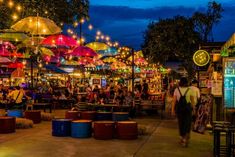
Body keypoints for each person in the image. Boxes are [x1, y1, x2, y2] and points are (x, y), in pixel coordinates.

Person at [171, 77, 195, 147]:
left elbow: (174, 101)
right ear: (187, 82)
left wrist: (172, 110)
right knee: (187, 122)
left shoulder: (176, 90)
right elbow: (192, 101)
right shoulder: (190, 90)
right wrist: (194, 109)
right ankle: (186, 135)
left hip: (179, 109)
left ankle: (182, 137)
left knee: (181, 122)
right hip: (187, 109)